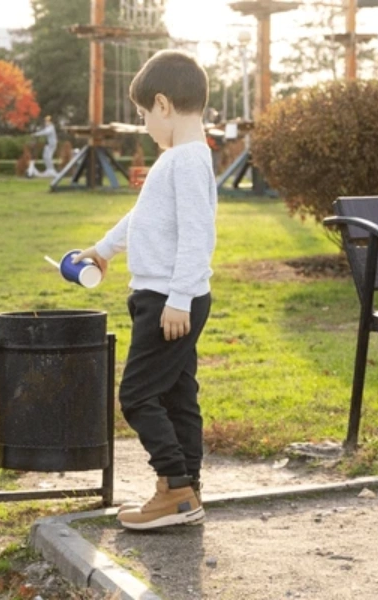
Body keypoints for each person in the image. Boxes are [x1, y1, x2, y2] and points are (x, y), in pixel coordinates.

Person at [72, 49, 217, 531]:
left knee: (136, 396)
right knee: (177, 395)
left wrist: (179, 298)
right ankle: (187, 490)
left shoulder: (189, 161)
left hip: (170, 302)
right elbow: (143, 219)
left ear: (163, 104)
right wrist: (103, 250)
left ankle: (173, 488)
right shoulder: (177, 160)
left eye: (142, 117)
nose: (145, 127)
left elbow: (199, 235)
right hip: (163, 299)